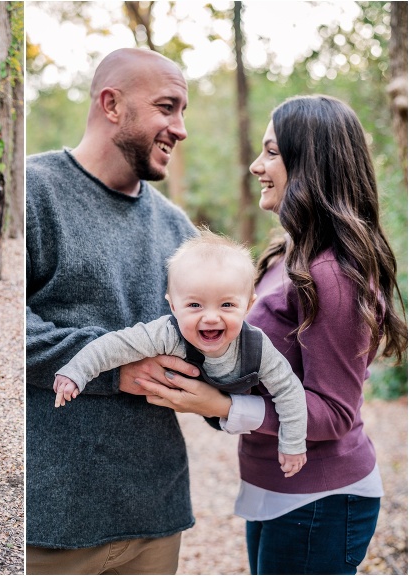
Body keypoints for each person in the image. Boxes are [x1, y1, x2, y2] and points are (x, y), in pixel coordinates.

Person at [142, 94, 407, 575]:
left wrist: (221, 406)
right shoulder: (289, 255)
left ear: (310, 162)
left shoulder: (332, 274)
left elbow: (335, 413)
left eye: (271, 152)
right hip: (276, 489)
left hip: (321, 501)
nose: (255, 165)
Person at [26, 47, 201, 575]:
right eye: (167, 107)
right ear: (111, 105)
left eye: (183, 112)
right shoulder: (35, 191)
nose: (180, 128)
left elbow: (207, 345)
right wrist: (113, 368)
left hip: (155, 517)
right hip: (54, 523)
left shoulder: (178, 230)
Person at [54, 229, 308, 478]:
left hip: (237, 403)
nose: (210, 317)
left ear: (249, 306)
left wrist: (293, 444)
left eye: (227, 305)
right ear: (173, 306)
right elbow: (115, 345)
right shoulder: (166, 333)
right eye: (195, 305)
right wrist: (76, 372)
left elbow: (288, 390)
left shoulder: (256, 346)